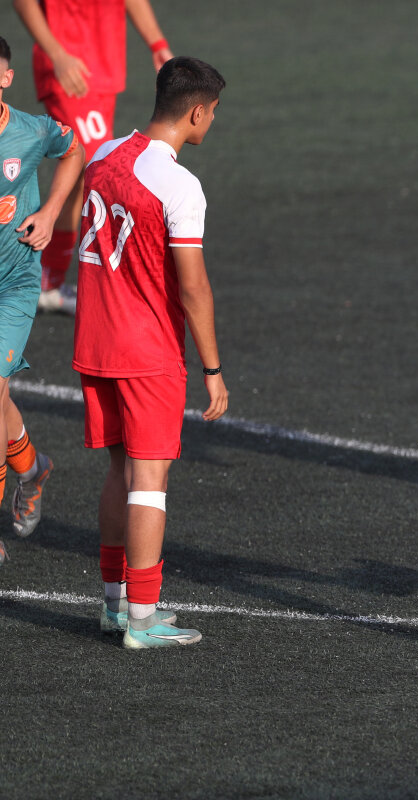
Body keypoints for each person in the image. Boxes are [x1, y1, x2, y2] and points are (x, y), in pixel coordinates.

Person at [73, 56, 227, 648]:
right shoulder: (179, 185)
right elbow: (193, 287)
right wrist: (213, 369)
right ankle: (142, 617)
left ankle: (114, 605)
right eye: (214, 112)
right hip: (147, 351)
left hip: (95, 342)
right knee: (150, 479)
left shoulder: (103, 154)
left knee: (120, 469)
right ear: (197, 112)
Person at [11, 0, 173, 314]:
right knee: (96, 170)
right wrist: (56, 54)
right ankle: (96, 280)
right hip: (69, 66)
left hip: (104, 68)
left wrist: (157, 44)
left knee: (84, 176)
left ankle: (48, 281)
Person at [0, 35, 81, 565]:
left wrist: (50, 212)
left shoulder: (30, 131)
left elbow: (73, 150)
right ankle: (32, 469)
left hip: (14, 283)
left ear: (6, 78)